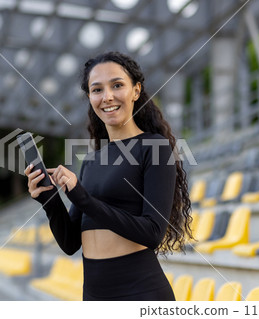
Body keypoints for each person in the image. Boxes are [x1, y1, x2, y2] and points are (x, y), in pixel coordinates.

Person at [24, 51, 192, 301]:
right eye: (97, 89)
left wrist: (81, 196)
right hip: (94, 294)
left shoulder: (154, 148)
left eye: (117, 85)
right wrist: (49, 197)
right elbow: (70, 242)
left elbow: (153, 232)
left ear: (136, 91)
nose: (108, 97)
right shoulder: (92, 161)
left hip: (140, 292)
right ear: (90, 97)